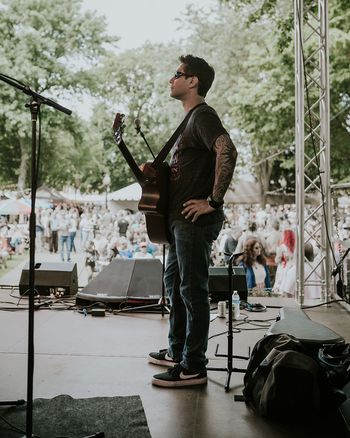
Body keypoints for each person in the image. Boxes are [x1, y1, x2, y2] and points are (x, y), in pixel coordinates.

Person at [147, 54, 237, 387]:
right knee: (175, 286)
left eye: (177, 74)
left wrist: (214, 201)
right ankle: (177, 352)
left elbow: (227, 149)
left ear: (193, 81)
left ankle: (194, 366)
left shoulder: (202, 115)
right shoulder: (189, 121)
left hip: (192, 221)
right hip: (178, 219)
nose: (171, 79)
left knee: (192, 290)